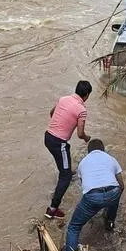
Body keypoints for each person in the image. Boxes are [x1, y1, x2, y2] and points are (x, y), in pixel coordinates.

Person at [63, 139, 124, 251]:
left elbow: (84, 185)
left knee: (74, 227)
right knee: (116, 194)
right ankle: (110, 222)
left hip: (93, 196)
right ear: (103, 149)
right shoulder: (111, 159)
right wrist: (113, 199)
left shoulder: (83, 163)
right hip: (113, 191)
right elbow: (121, 185)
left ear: (89, 151)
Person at [45, 80, 92, 219]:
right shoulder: (82, 110)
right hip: (59, 143)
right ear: (87, 95)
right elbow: (80, 133)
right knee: (65, 176)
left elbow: (51, 113)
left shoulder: (63, 99)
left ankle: (67, 170)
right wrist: (86, 138)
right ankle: (52, 209)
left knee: (65, 161)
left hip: (48, 137)